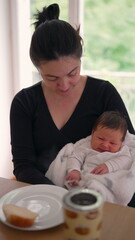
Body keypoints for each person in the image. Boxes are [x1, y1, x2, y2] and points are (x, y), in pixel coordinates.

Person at [10, 4, 135, 205]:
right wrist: (63, 198)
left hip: (104, 201)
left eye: (72, 73)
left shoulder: (103, 93)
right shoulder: (24, 103)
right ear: (38, 69)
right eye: (51, 77)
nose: (64, 85)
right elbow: (24, 166)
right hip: (47, 201)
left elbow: (129, 149)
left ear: (80, 60)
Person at [65, 111, 132, 186]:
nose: (105, 145)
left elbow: (127, 160)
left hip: (110, 181)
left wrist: (109, 166)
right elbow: (75, 157)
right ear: (93, 133)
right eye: (101, 139)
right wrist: (74, 170)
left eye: (112, 143)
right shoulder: (86, 146)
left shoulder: (122, 150)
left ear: (121, 142)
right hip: (87, 179)